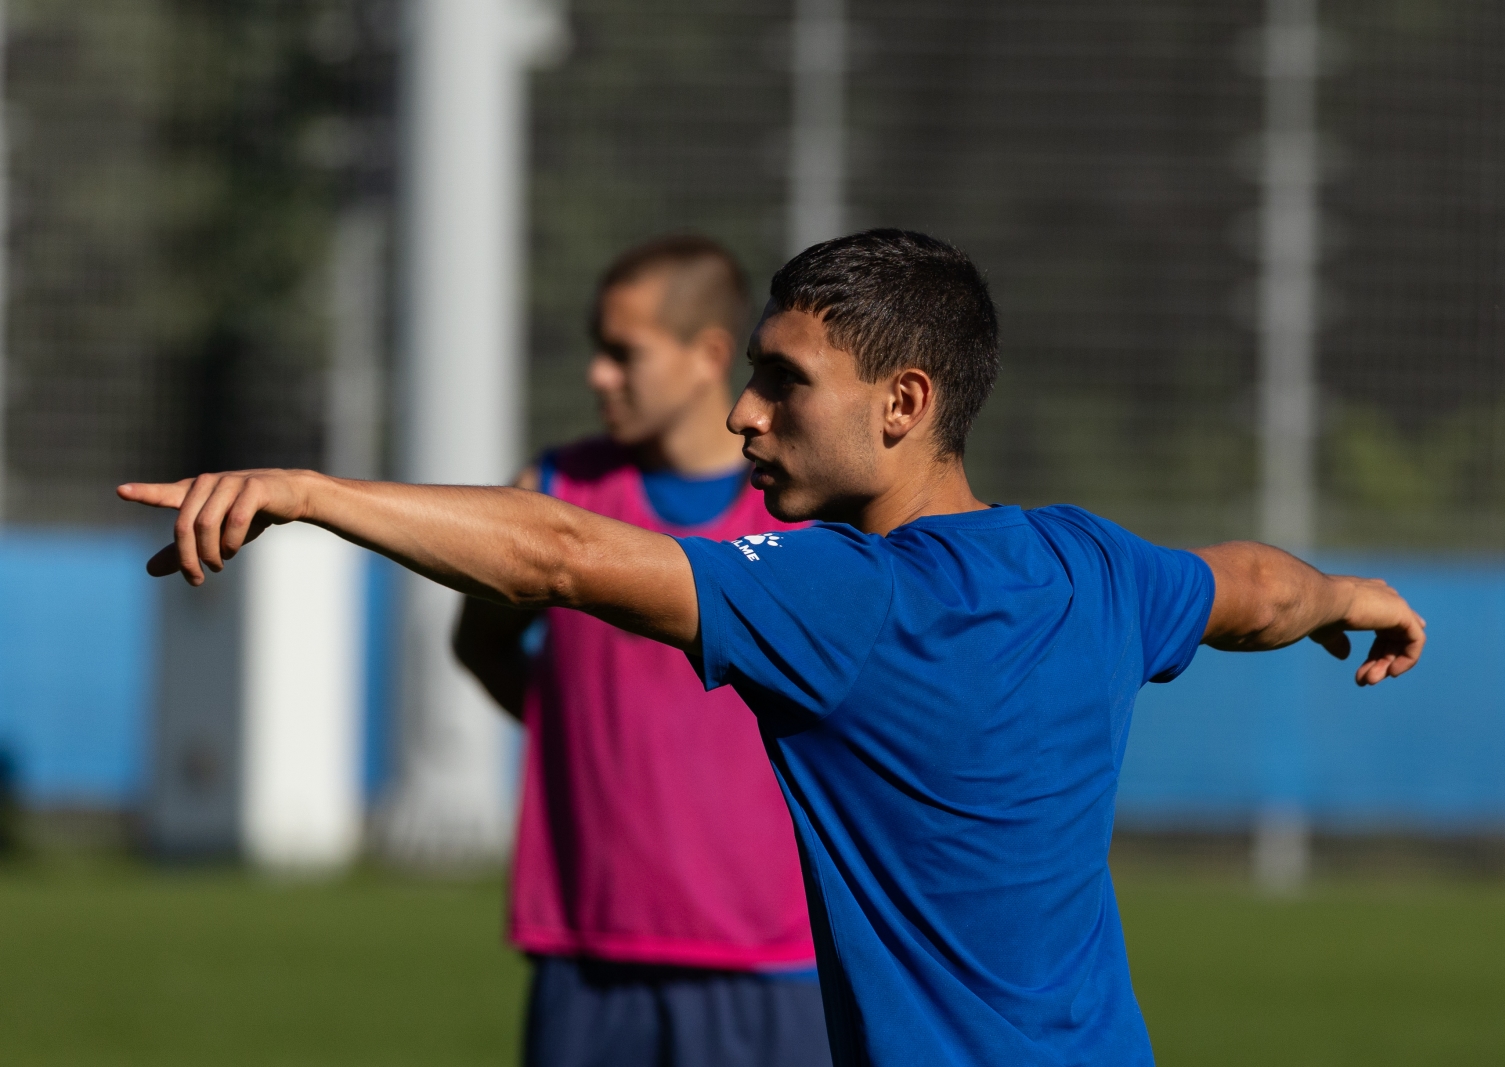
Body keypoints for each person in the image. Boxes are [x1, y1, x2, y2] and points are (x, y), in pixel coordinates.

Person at [121, 229, 1426, 1067]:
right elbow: (1248, 588)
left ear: (904, 403)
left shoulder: (850, 601)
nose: (747, 411)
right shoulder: (1087, 562)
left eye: (785, 380)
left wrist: (307, 490)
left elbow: (563, 554)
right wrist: (1346, 591)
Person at [451, 235, 826, 1067]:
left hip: (775, 964)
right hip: (588, 959)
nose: (598, 375)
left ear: (709, 356)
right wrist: (589, 736)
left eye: (625, 354)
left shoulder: (809, 520)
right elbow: (483, 646)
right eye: (597, 351)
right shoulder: (553, 499)